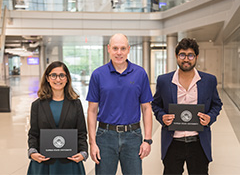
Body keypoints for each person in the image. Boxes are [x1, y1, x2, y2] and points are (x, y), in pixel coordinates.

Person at [152, 38, 223, 175]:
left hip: (198, 142)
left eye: (190, 55)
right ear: (176, 56)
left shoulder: (209, 81)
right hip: (172, 142)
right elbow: (156, 104)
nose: (186, 59)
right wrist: (162, 117)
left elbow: (217, 104)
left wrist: (210, 117)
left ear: (196, 57)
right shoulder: (164, 81)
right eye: (182, 55)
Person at [87, 33, 153, 175]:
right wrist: (92, 143)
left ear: (128, 49)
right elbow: (92, 110)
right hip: (105, 136)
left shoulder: (140, 73)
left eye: (123, 48)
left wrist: (147, 140)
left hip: (133, 136)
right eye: (115, 48)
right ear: (108, 49)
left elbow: (146, 108)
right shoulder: (98, 75)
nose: (119, 53)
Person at [27, 61, 88, 175]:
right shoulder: (37, 105)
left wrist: (83, 153)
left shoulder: (76, 104)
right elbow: (33, 133)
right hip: (44, 162)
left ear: (67, 78)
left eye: (62, 75)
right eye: (53, 75)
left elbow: (81, 133)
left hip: (69, 162)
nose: (58, 79)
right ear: (47, 78)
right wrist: (32, 152)